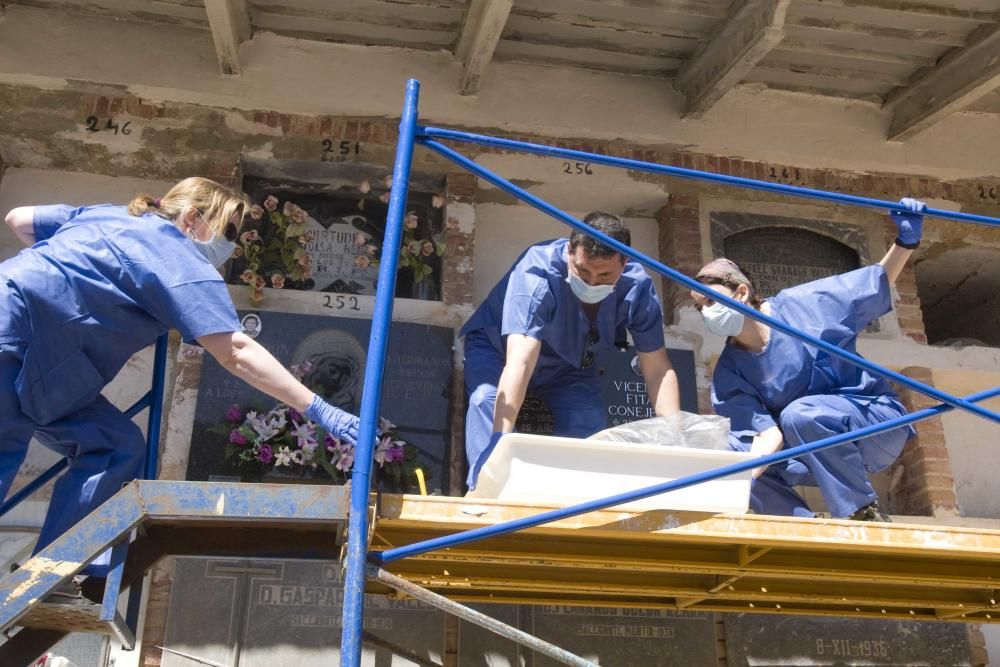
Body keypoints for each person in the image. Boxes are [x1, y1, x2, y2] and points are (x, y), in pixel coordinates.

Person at [0, 177, 361, 574]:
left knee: (114, 446)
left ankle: (58, 568)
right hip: (17, 344)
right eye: (227, 231)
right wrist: (321, 410)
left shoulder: (108, 215)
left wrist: (71, 281)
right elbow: (235, 351)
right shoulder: (179, 257)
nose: (231, 246)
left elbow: (19, 218)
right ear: (191, 217)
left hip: (52, 367)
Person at [690, 198, 927, 522]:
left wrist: (905, 242)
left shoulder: (807, 306)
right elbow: (765, 438)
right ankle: (799, 522)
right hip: (813, 455)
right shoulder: (730, 372)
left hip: (873, 426)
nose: (706, 313)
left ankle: (861, 512)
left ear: (742, 292)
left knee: (800, 414)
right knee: (728, 455)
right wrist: (736, 477)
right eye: (699, 308)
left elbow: (875, 284)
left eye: (710, 301)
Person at [461, 211, 680, 489]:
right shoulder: (536, 271)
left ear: (624, 263)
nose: (591, 282)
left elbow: (658, 369)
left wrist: (674, 438)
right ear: (569, 252)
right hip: (499, 351)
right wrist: (499, 441)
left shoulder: (638, 287)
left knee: (587, 421)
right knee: (486, 401)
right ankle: (485, 487)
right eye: (583, 271)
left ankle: (574, 501)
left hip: (570, 364)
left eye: (604, 275)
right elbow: (521, 361)